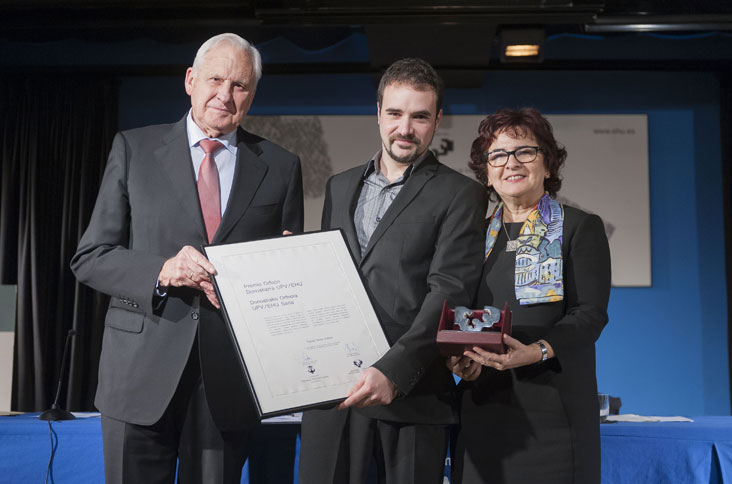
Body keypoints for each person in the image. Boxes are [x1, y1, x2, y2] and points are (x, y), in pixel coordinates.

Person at [71, 33, 303, 483]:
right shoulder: (134, 150)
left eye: (240, 85)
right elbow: (91, 256)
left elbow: (284, 269)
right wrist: (163, 269)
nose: (225, 94)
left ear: (252, 95)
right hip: (138, 374)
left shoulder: (281, 165)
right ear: (190, 80)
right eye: (215, 79)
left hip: (229, 381)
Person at [298, 58, 488, 484]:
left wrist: (394, 372)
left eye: (420, 116)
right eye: (395, 113)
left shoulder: (462, 194)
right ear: (378, 113)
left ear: (437, 120)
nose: (406, 128)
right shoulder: (340, 186)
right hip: (334, 399)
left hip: (413, 398)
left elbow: (450, 291)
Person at [448, 107, 611, 484]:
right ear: (486, 173)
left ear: (548, 165)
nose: (511, 163)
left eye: (525, 151)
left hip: (553, 412)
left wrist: (534, 350)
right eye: (498, 155)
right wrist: (459, 360)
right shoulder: (471, 237)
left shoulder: (578, 228)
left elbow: (589, 315)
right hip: (482, 408)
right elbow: (461, 314)